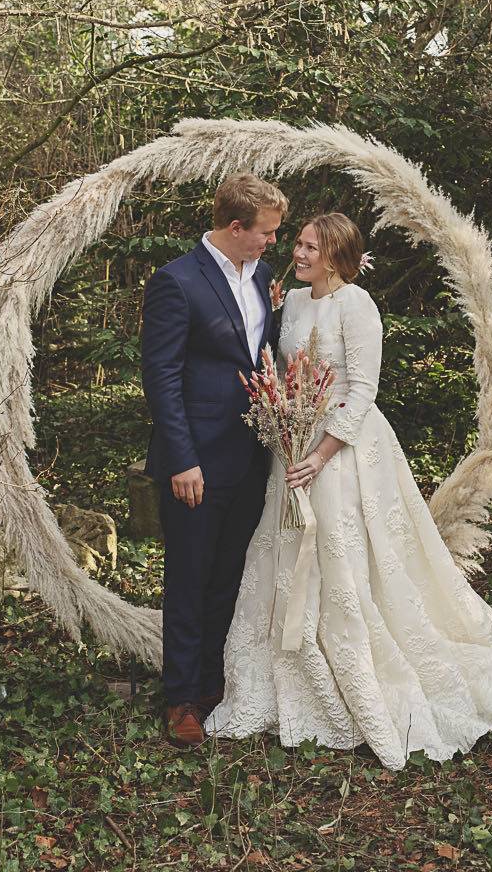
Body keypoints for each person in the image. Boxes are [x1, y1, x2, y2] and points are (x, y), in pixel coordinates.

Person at [206, 212, 492, 770]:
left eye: (311, 247)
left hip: (345, 450)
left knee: (342, 552)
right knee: (285, 549)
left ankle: (360, 669)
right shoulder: (294, 302)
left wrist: (319, 455)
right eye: (300, 244)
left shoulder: (358, 306)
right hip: (294, 444)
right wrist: (287, 432)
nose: (298, 252)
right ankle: (295, 673)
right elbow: (286, 375)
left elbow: (362, 389)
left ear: (336, 256)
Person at [140, 172, 288, 746]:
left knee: (229, 574)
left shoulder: (264, 277)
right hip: (196, 462)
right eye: (267, 232)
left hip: (251, 456)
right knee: (190, 576)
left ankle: (211, 685)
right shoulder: (177, 281)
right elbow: (161, 376)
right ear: (235, 226)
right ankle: (180, 699)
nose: (273, 241)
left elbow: (259, 355)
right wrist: (182, 459)